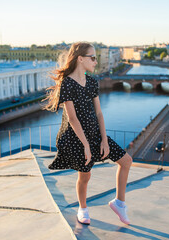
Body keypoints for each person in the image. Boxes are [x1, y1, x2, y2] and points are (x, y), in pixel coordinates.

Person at [43, 42, 133, 225]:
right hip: (75, 137)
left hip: (94, 133)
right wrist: (85, 145)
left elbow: (99, 113)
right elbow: (73, 118)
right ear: (80, 59)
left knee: (126, 161)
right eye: (92, 57)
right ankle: (82, 209)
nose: (95, 61)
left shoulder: (92, 82)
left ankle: (119, 203)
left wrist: (104, 140)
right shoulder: (67, 83)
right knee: (85, 175)